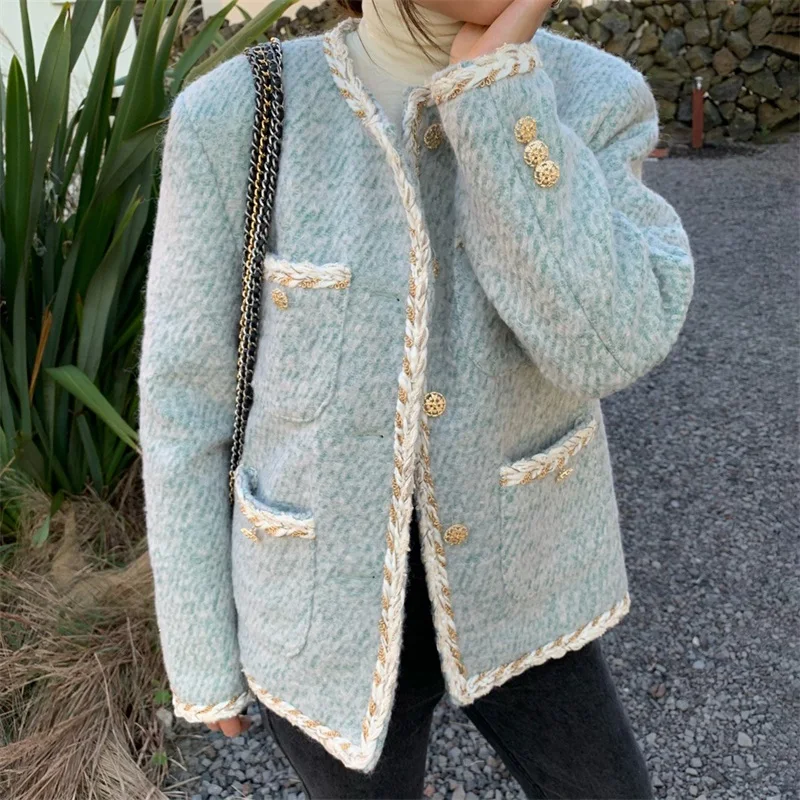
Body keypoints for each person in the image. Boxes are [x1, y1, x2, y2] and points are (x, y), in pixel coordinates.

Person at [137, 0, 694, 797]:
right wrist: (200, 653)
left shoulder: (589, 94)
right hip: (316, 617)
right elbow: (185, 402)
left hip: (527, 587)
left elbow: (610, 344)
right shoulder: (239, 113)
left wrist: (497, 94)